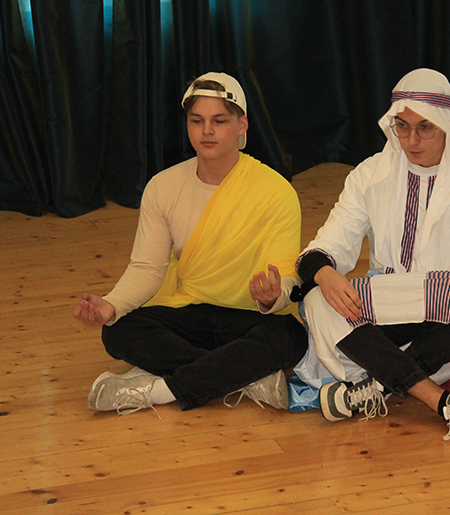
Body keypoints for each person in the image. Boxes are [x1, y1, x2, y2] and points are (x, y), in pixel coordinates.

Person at [289, 68, 450, 441]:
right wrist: (326, 274)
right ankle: (441, 401)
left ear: (446, 124)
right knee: (318, 299)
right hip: (392, 299)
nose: (411, 140)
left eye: (424, 128)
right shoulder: (369, 174)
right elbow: (321, 249)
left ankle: (375, 386)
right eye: (402, 127)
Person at [73, 72, 307, 415]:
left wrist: (274, 296)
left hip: (248, 317)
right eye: (197, 121)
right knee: (118, 328)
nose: (206, 131)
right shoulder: (163, 186)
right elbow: (147, 268)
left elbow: (287, 274)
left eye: (219, 121)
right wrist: (111, 304)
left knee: (291, 335)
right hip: (189, 311)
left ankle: (160, 390)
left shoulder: (277, 192)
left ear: (242, 125)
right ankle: (243, 376)